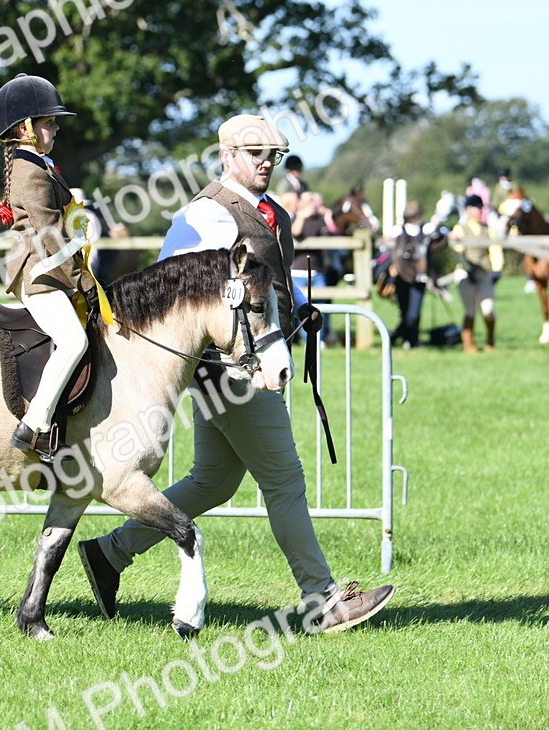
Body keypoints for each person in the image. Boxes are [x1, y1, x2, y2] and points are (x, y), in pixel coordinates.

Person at [76, 114, 395, 634]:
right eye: (255, 153)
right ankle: (321, 600)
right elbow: (172, 294)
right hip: (232, 371)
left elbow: (261, 292)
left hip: (248, 361)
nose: (266, 162)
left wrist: (297, 311)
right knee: (285, 480)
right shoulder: (205, 217)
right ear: (226, 156)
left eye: (273, 154)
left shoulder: (266, 212)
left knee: (214, 480)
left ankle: (109, 553)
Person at [0, 73, 95, 463]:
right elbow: (51, 233)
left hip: (49, 268)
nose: (55, 128)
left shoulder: (39, 163)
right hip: (38, 272)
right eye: (48, 122)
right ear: (24, 129)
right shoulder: (30, 171)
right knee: (74, 342)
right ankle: (33, 426)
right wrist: (83, 280)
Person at [387, 201, 448, 349]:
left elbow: (440, 239)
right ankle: (408, 339)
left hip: (420, 276)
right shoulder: (398, 232)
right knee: (405, 312)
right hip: (401, 276)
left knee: (414, 313)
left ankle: (397, 338)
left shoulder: (426, 230)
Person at [450, 195, 502, 352]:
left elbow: (495, 250)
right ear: (468, 210)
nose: (479, 211)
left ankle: (490, 340)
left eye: (480, 208)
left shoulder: (488, 229)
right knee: (470, 310)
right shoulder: (460, 228)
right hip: (466, 273)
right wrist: (454, 240)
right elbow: (457, 249)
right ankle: (469, 344)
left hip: (484, 272)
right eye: (476, 208)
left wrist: (496, 269)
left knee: (488, 309)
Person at [290, 191, 340, 343]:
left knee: (321, 306)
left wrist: (328, 218)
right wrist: (301, 216)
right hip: (298, 272)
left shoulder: (319, 219)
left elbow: (333, 236)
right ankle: (306, 339)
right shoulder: (294, 218)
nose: (312, 203)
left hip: (317, 271)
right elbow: (295, 233)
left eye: (313, 200)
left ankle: (319, 339)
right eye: (308, 200)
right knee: (302, 306)